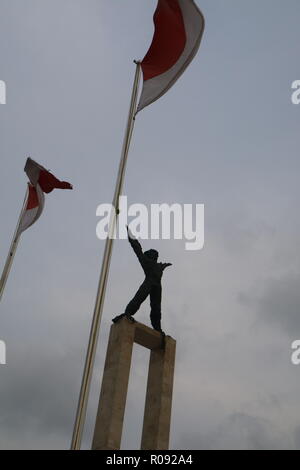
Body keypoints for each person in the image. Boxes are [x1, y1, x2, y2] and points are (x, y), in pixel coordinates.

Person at [112, 226, 172, 333]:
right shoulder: (145, 261)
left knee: (156, 308)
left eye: (157, 255)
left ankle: (157, 327)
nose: (156, 256)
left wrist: (165, 265)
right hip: (149, 283)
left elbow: (162, 266)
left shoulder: (159, 265)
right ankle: (128, 313)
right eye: (155, 254)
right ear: (151, 255)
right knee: (138, 299)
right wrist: (130, 235)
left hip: (158, 286)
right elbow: (137, 247)